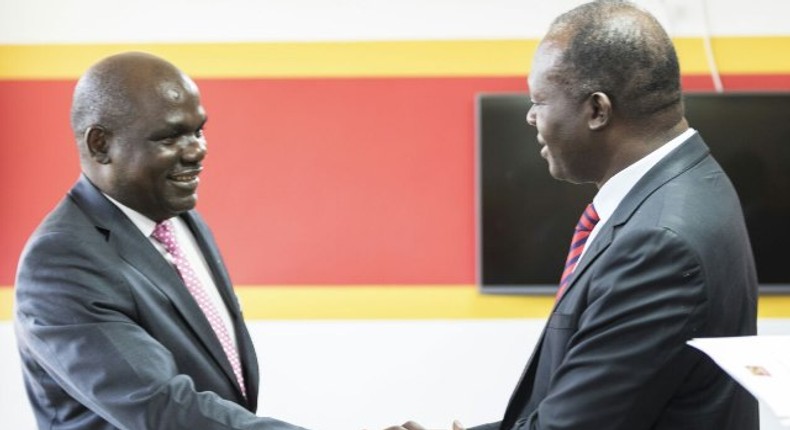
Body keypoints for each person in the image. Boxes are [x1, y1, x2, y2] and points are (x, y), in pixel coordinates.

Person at [393, 1, 759, 429]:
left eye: (539, 100)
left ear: (597, 110)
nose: (530, 117)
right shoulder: (694, 181)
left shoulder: (658, 243)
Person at [14, 52, 308, 430]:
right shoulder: (59, 263)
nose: (197, 150)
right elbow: (162, 409)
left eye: (198, 130)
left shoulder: (179, 217)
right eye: (169, 137)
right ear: (100, 144)